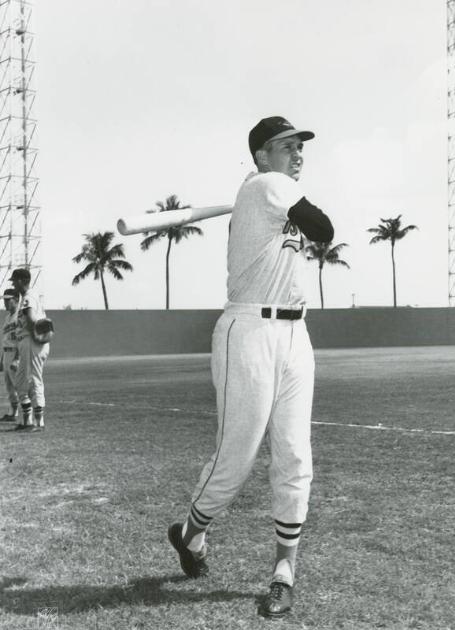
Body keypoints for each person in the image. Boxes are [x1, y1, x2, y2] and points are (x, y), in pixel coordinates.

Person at [168, 116, 334, 617]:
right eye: (286, 146)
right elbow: (325, 228)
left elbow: (315, 235)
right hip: (249, 330)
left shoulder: (264, 191)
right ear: (262, 155)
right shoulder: (268, 184)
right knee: (235, 458)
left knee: (294, 454)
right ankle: (191, 534)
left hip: (295, 333)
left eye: (300, 146)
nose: (298, 153)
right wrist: (268, 185)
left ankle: (284, 570)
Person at [9, 268, 50, 432]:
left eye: (14, 281)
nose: (13, 284)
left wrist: (38, 337)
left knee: (34, 380)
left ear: (20, 281)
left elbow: (32, 319)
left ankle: (38, 422)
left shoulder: (29, 296)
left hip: (31, 342)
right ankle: (27, 420)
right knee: (20, 383)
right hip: (26, 343)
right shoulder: (26, 297)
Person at [0, 288, 20, 423]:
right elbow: (5, 339)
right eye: (4, 300)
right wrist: (2, 359)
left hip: (15, 353)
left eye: (8, 300)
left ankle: (26, 417)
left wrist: (17, 359)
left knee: (19, 385)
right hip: (6, 353)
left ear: (16, 300)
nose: (5, 303)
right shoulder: (7, 318)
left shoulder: (20, 316)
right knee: (9, 386)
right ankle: (13, 413)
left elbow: (21, 339)